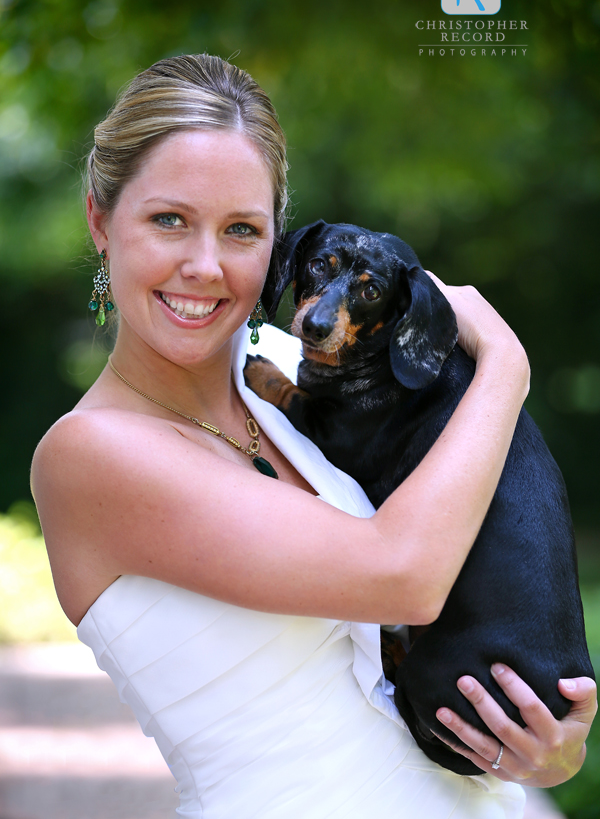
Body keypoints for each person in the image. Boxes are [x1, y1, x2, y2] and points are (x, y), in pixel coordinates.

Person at [31, 54, 596, 819]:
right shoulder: (90, 455)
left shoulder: (288, 375)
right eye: (169, 219)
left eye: (241, 229)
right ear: (101, 222)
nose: (204, 265)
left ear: (279, 244)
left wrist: (534, 746)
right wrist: (506, 363)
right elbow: (405, 574)